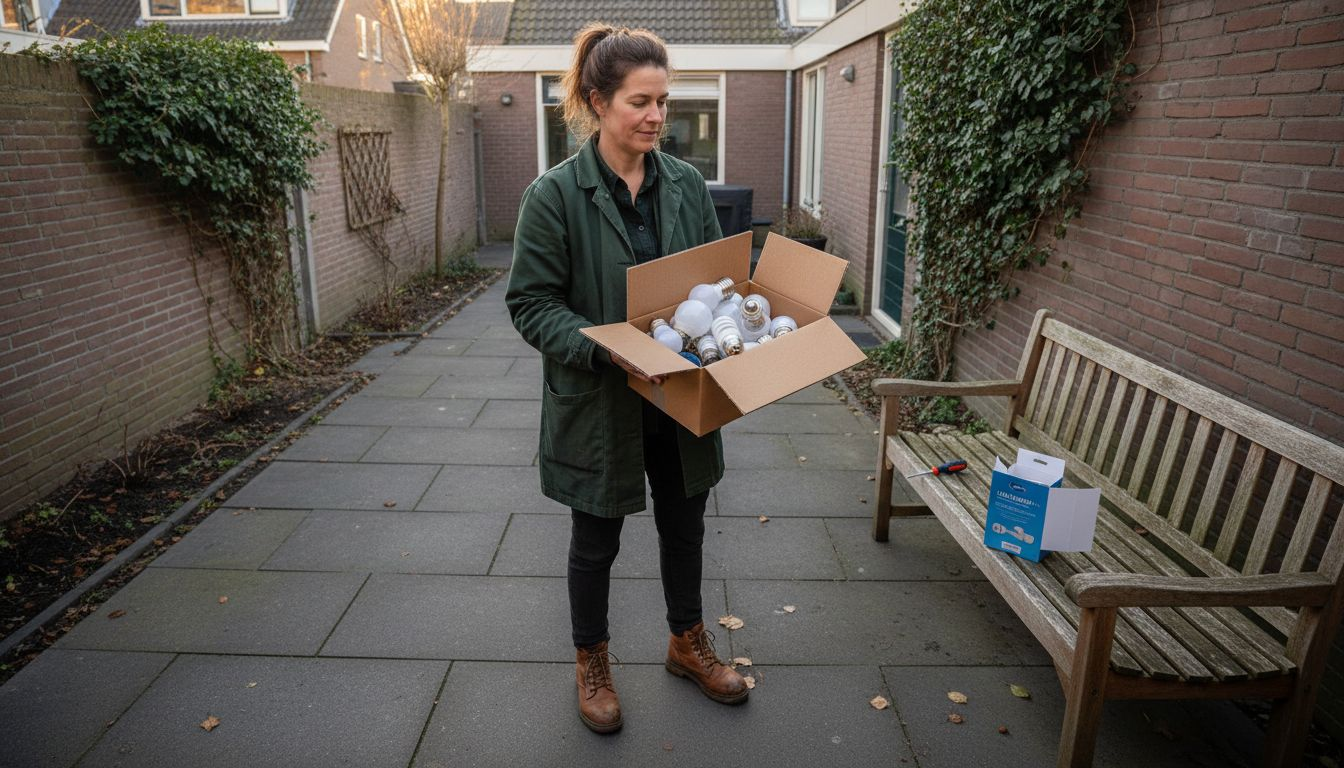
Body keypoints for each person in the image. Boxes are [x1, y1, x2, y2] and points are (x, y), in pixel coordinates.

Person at [505, 23, 748, 735]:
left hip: (680, 392)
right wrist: (605, 347)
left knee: (685, 523)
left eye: (664, 102)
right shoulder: (553, 197)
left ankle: (686, 642)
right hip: (601, 398)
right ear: (597, 100)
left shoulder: (685, 186)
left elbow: (713, 282)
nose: (655, 117)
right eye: (640, 102)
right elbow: (530, 303)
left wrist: (738, 332)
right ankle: (593, 660)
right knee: (596, 539)